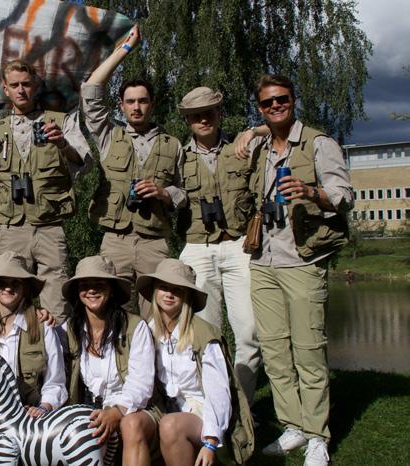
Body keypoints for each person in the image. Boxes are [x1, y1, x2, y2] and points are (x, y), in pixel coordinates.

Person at [240, 74, 353, 466]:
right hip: (263, 262)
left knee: (308, 351)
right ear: (260, 108)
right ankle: (293, 425)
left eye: (282, 99)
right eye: (267, 102)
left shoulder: (319, 143)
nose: (276, 106)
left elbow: (344, 196)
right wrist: (250, 132)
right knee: (274, 351)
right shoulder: (260, 148)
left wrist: (310, 192)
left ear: (293, 100)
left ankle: (318, 435)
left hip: (303, 261)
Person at [81, 25, 184, 318]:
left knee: (160, 317)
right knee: (114, 315)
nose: (136, 107)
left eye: (142, 101)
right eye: (130, 101)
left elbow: (185, 192)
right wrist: (125, 50)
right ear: (121, 105)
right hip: (115, 241)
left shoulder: (172, 144)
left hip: (155, 243)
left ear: (152, 104)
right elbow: (91, 90)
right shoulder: (108, 136)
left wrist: (164, 193)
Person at [174, 86, 261, 407]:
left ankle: (242, 408)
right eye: (196, 115)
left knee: (249, 332)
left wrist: (253, 130)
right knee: (204, 334)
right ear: (187, 120)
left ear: (218, 113)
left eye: (209, 112)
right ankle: (211, 405)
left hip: (239, 247)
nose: (203, 119)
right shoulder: (178, 156)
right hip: (197, 248)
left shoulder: (243, 147)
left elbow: (282, 128)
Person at [0, 59, 91, 324]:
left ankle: (57, 347)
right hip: (12, 226)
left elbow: (85, 163)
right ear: (5, 89)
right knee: (10, 299)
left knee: (56, 302)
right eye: (14, 85)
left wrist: (62, 144)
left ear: (35, 86)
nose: (21, 90)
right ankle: (14, 346)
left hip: (49, 225)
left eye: (26, 84)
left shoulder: (60, 121)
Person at [0, 251, 68, 464]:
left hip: (33, 411)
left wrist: (43, 408)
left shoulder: (42, 327)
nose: (8, 287)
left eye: (15, 282)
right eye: (1, 282)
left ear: (25, 286)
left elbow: (56, 381)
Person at [136, 259, 232, 466]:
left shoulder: (203, 334)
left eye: (177, 290)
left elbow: (218, 392)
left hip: (200, 412)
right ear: (155, 291)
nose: (169, 294)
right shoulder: (146, 330)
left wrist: (211, 442)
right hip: (163, 408)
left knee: (170, 425)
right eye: (164, 287)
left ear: (187, 295)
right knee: (133, 422)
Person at [62, 255, 156, 466]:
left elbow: (141, 384)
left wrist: (116, 411)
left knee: (130, 424)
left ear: (111, 289)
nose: (91, 290)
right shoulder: (69, 328)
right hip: (86, 408)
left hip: (132, 408)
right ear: (78, 292)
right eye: (85, 285)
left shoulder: (135, 326)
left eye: (99, 284)